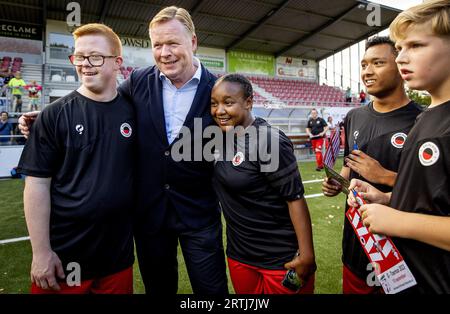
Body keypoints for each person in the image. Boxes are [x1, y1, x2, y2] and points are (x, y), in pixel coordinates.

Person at [18, 6, 228, 295]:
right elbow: (98, 98)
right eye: (158, 45)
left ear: (192, 42)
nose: (165, 52)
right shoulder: (140, 80)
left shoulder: (217, 90)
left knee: (212, 292)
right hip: (149, 217)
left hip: (198, 217)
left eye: (173, 43)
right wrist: (47, 116)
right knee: (158, 289)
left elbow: (242, 120)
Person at [16, 23, 135, 294]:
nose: (84, 64)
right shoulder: (53, 115)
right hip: (64, 261)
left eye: (94, 56)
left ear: (117, 63)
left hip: (117, 259)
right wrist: (41, 252)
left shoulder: (134, 111)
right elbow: (36, 186)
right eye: (79, 57)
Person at [348, 0, 450, 294]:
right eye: (400, 48)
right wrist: (387, 199)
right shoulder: (428, 116)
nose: (402, 58)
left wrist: (399, 221)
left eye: (416, 46)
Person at [322, 36, 422, 294]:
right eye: (364, 64)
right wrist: (338, 181)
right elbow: (349, 165)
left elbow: (433, 192)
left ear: (401, 67)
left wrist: (384, 176)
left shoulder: (422, 121)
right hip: (356, 247)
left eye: (377, 63)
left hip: (402, 254)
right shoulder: (355, 116)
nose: (367, 71)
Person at [211, 74, 316, 294]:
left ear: (248, 102)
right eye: (214, 103)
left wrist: (306, 255)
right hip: (239, 256)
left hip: (281, 259)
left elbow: (295, 199)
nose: (219, 110)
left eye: (228, 103)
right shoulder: (221, 138)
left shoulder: (269, 141)